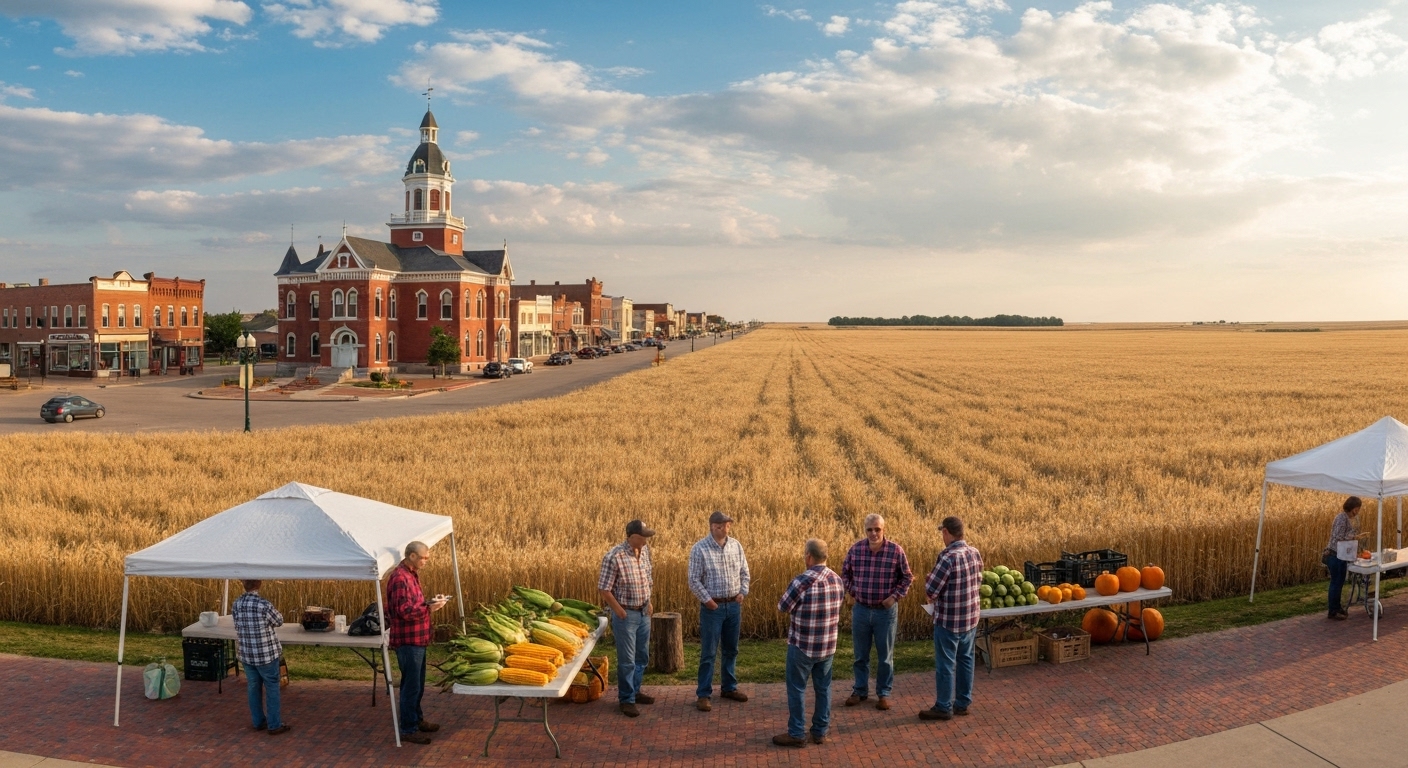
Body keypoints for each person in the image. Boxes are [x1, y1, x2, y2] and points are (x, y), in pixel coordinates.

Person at [773, 538, 845, 748]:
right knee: (823, 688)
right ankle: (820, 731)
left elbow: (783, 606)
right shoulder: (837, 579)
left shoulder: (801, 581)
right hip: (827, 646)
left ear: (808, 556)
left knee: (797, 688)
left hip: (802, 645)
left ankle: (796, 733)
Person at [841, 513, 913, 711]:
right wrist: (853, 591)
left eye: (877, 529)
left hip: (885, 613)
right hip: (861, 610)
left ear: (884, 529)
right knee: (860, 655)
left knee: (885, 656)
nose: (873, 533)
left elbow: (907, 577)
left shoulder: (895, 551)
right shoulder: (856, 550)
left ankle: (884, 693)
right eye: (869, 530)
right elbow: (844, 573)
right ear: (865, 530)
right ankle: (860, 690)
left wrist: (895, 597)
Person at [919, 516, 983, 722]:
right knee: (966, 660)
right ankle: (963, 704)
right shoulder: (975, 553)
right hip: (970, 619)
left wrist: (929, 579)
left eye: (942, 533)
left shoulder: (948, 558)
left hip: (948, 621)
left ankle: (943, 707)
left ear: (946, 532)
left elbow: (931, 590)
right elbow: (978, 581)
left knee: (946, 665)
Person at [386, 540, 450, 744]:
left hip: (418, 639)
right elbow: (402, 611)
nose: (426, 561)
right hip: (408, 640)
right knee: (411, 686)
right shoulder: (399, 578)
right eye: (424, 557)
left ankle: (417, 719)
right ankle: (408, 729)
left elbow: (413, 605)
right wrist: (429, 609)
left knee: (418, 684)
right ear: (411, 556)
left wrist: (430, 602)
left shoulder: (412, 575)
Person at [688, 510, 751, 711]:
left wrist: (743, 592)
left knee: (731, 649)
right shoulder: (700, 549)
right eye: (719, 526)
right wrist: (708, 601)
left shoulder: (736, 546)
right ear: (711, 526)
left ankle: (729, 687)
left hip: (734, 605)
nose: (723, 529)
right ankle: (703, 694)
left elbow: (745, 572)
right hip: (712, 608)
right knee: (709, 652)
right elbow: (693, 580)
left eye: (726, 525)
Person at [598, 519, 657, 717]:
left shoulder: (645, 552)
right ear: (631, 537)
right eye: (643, 537)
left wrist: (648, 602)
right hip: (627, 614)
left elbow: (648, 578)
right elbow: (604, 589)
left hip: (643, 612)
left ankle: (635, 690)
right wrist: (620, 611)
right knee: (627, 660)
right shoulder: (614, 556)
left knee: (642, 656)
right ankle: (626, 699)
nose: (646, 540)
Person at [231, 579, 289, 736]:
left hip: (247, 653)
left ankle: (258, 721)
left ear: (244, 584)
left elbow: (237, 624)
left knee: (253, 686)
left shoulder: (237, 603)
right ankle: (274, 724)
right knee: (272, 687)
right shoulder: (263, 604)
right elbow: (279, 621)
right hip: (266, 654)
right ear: (259, 583)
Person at [1323, 496, 1363, 620]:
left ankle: (1336, 606)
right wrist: (1352, 537)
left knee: (1339, 583)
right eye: (1358, 509)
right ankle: (1333, 610)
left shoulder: (1345, 518)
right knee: (1335, 583)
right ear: (1354, 508)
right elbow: (1338, 536)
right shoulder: (1342, 518)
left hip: (1340, 556)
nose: (1358, 512)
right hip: (1335, 555)